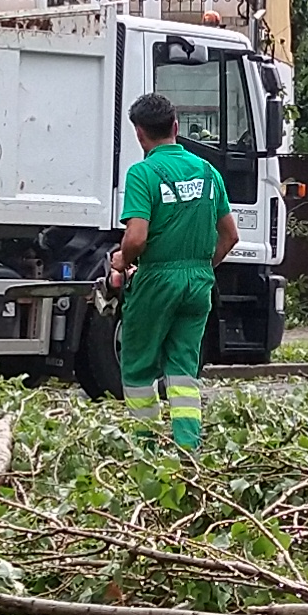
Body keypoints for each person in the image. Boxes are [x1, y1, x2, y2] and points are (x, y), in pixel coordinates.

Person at [111, 93, 234, 451]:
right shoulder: (209, 171)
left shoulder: (143, 173)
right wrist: (199, 269)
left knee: (137, 367)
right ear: (176, 126)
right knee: (183, 372)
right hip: (199, 283)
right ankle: (188, 450)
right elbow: (230, 235)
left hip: (157, 279)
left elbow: (136, 237)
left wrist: (122, 260)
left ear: (139, 134)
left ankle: (146, 451)